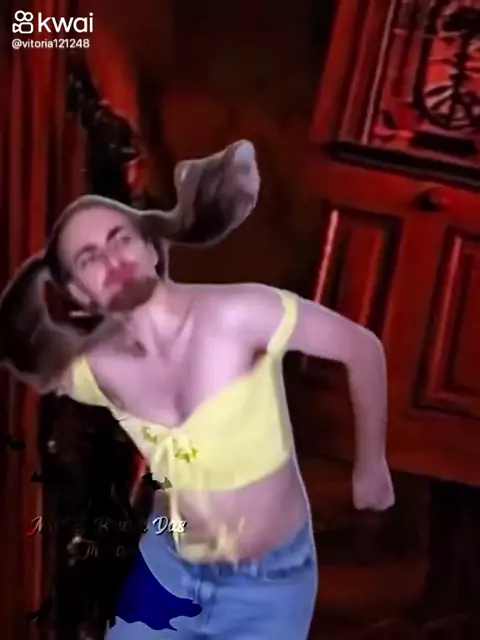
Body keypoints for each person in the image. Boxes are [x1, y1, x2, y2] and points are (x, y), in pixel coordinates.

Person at [0, 140, 394, 639]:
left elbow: (362, 348)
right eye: (88, 258)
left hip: (268, 584)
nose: (112, 258)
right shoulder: (95, 370)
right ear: (79, 295)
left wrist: (371, 466)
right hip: (169, 571)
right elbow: (20, 351)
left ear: (151, 249)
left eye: (121, 239)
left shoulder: (239, 315)